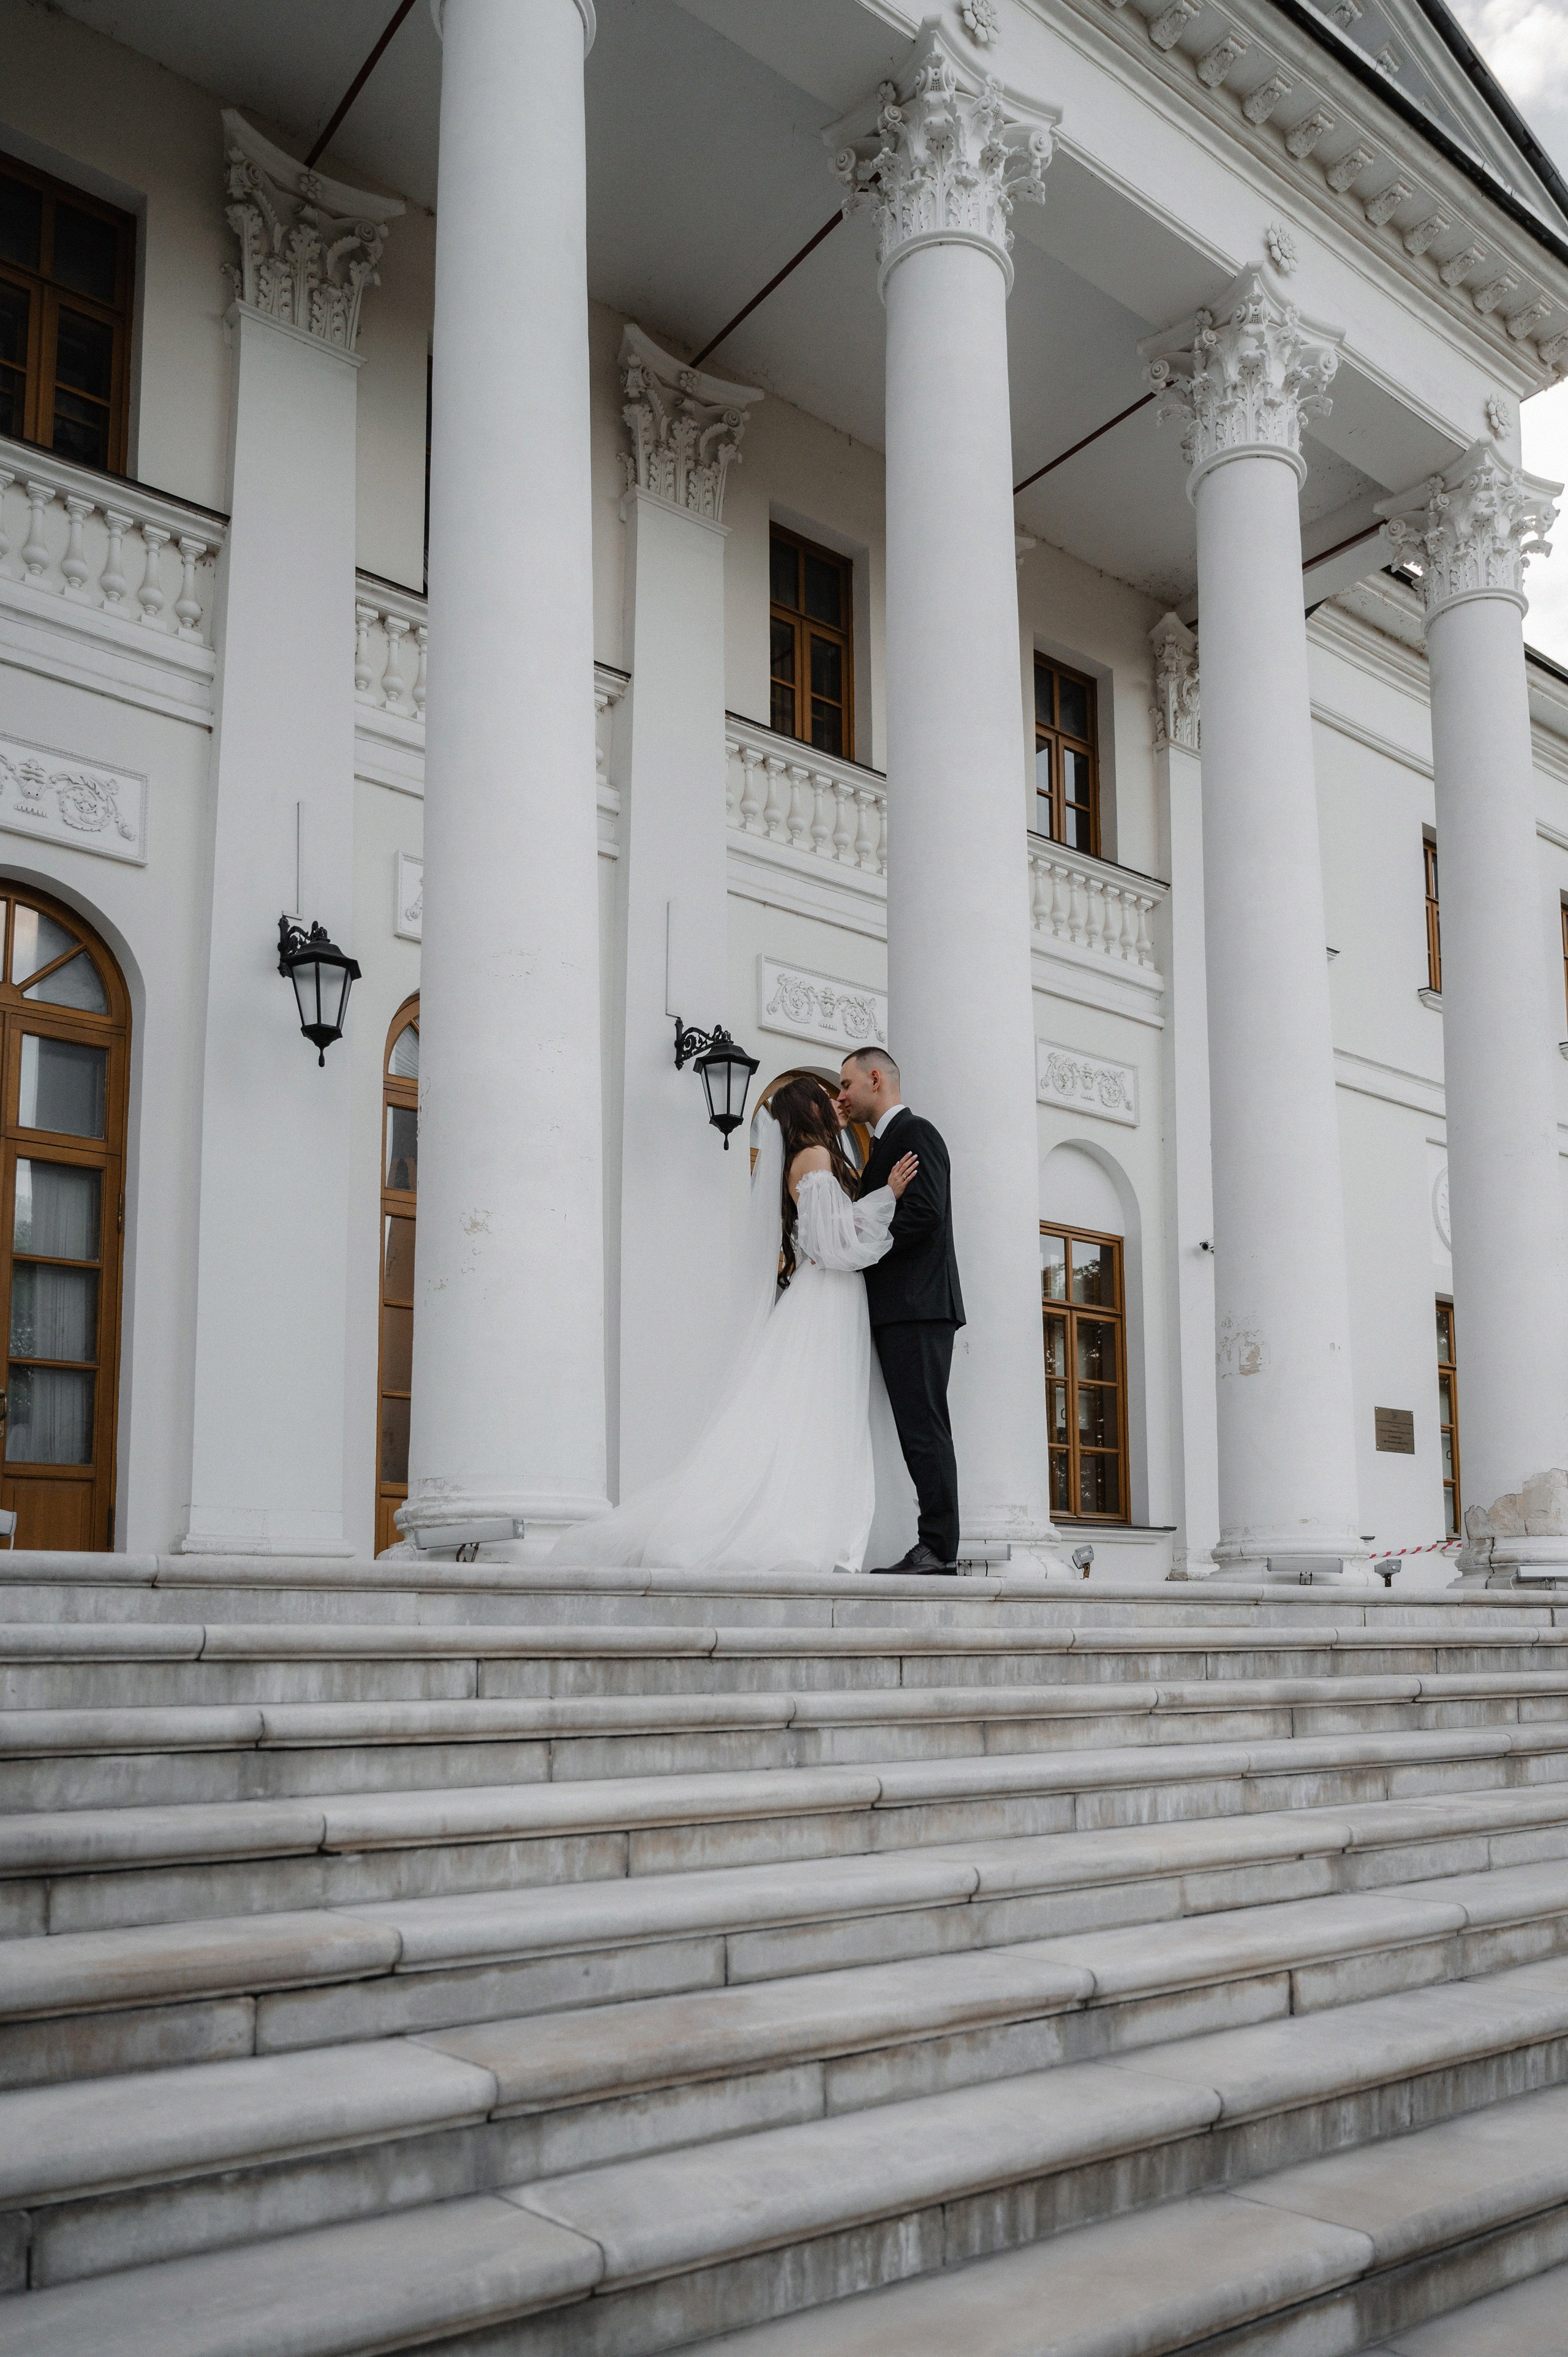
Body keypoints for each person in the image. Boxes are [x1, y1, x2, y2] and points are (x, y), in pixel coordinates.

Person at [553, 1074, 918, 1574]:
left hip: (833, 1296)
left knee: (822, 1412)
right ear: (807, 1109)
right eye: (823, 1095)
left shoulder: (817, 1157)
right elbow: (833, 1246)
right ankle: (812, 1531)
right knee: (819, 1413)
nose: (834, 1100)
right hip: (829, 1298)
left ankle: (835, 1527)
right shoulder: (812, 1159)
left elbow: (833, 1231)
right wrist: (889, 1198)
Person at [835, 1047, 965, 1575]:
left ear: (874, 1078)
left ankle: (937, 1548)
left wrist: (863, 1247)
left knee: (924, 1428)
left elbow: (925, 1214)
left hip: (918, 1306)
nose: (841, 1095)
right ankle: (932, 1544)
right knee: (916, 1430)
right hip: (900, 1308)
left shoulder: (917, 1135)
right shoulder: (882, 1146)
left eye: (846, 1084)